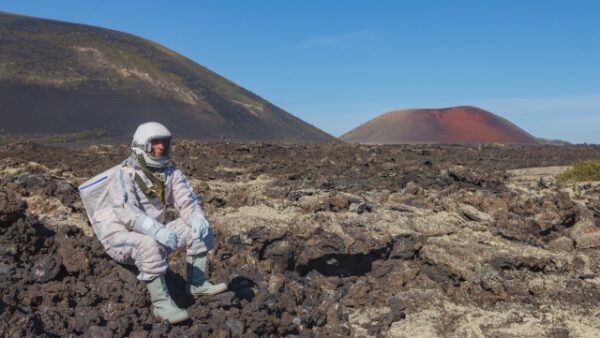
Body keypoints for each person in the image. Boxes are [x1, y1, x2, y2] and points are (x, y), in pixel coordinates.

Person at [92, 122, 227, 323]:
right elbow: (127, 212)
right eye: (155, 143)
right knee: (147, 243)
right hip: (120, 238)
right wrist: (156, 230)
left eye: (164, 143)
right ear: (141, 146)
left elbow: (186, 202)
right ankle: (162, 305)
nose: (161, 147)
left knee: (199, 228)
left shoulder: (170, 174)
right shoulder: (124, 174)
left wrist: (196, 217)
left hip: (154, 235)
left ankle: (196, 284)